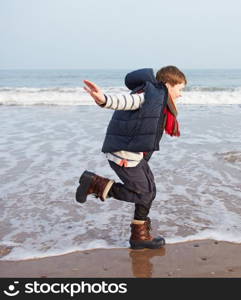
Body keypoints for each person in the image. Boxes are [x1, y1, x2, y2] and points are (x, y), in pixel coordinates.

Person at [75, 66, 187, 250]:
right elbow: (126, 101)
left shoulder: (157, 98)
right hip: (123, 153)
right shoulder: (149, 95)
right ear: (168, 84)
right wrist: (103, 99)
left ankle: (139, 236)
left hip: (134, 153)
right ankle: (94, 183)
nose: (181, 94)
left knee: (149, 191)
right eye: (180, 89)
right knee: (143, 194)